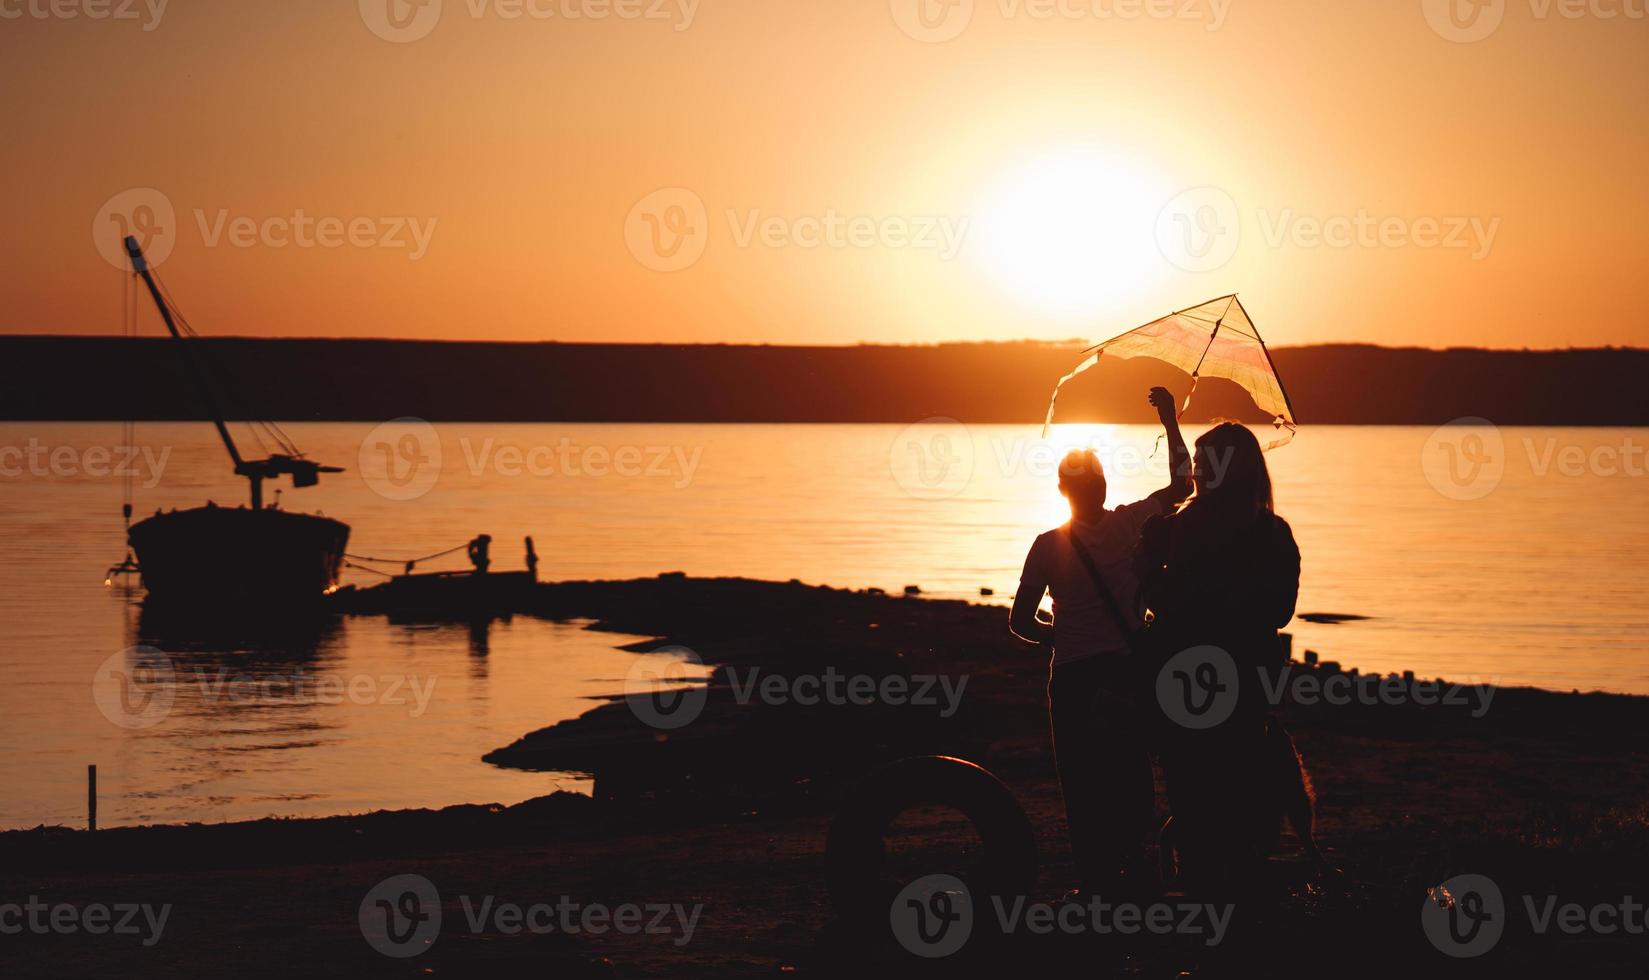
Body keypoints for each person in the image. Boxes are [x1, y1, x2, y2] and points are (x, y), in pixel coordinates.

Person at [1009, 386, 1191, 895]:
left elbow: (1020, 622)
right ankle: (1139, 875)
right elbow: (1183, 483)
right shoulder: (1133, 523)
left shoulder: (1047, 547)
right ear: (1103, 485)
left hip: (1071, 678)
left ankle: (1095, 884)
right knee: (1132, 778)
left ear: (1063, 492)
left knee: (1082, 782)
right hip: (1125, 673)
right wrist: (1170, 419)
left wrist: (1057, 636)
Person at [1134, 421, 1305, 895]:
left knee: (1192, 786)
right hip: (1248, 680)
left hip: (1186, 678)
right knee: (1241, 782)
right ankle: (1238, 886)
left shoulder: (1181, 528)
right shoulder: (1274, 532)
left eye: (1204, 461)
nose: (1196, 469)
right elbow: (1281, 611)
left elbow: (1166, 604)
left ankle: (1203, 889)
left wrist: (1148, 568)